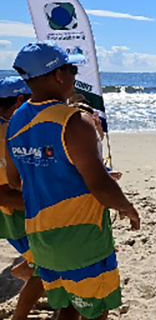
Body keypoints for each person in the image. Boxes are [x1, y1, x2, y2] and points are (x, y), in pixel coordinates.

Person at [8, 42, 140, 320]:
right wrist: (126, 207)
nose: (75, 76)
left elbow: (15, 180)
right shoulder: (75, 121)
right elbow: (100, 186)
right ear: (58, 75)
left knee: (66, 308)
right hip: (81, 238)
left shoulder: (16, 119)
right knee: (96, 310)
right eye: (72, 69)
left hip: (41, 236)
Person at [0, 76, 45, 320]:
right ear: (19, 100)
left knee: (44, 263)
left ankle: (25, 268)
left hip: (17, 211)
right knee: (48, 267)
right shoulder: (5, 134)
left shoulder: (12, 128)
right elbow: (4, 192)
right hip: (15, 214)